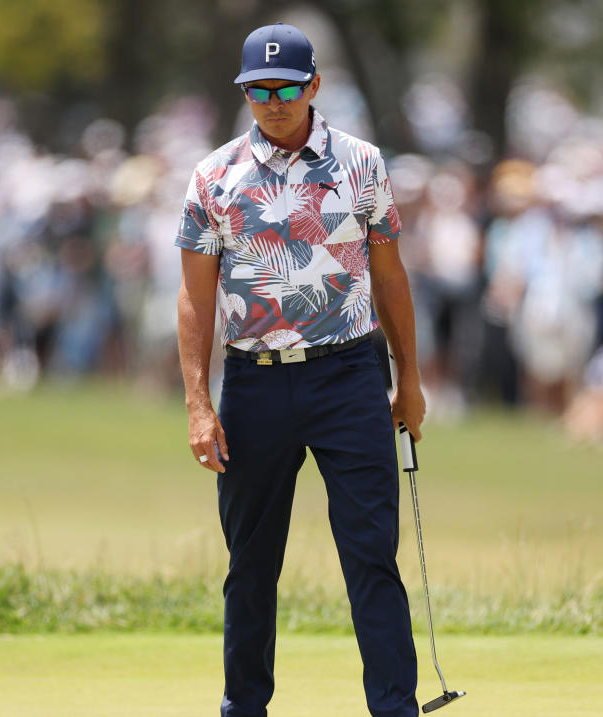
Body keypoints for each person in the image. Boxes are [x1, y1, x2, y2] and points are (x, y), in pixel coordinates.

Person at [174, 23, 425, 717]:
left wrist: (410, 379)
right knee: (250, 566)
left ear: (315, 86)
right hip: (253, 383)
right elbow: (195, 301)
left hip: (348, 376)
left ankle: (394, 708)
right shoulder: (213, 176)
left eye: (286, 88)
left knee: (371, 555)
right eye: (259, 90)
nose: (273, 101)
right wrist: (199, 403)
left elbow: (390, 278)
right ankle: (243, 706)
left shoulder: (361, 163)